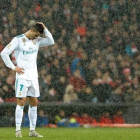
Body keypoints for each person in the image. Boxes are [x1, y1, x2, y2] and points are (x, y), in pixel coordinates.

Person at [1, 22, 54, 137]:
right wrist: (13, 67)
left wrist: (45, 28)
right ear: (31, 29)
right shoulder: (18, 40)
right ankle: (18, 130)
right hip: (22, 76)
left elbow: (51, 41)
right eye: (36, 35)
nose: (37, 37)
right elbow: (4, 53)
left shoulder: (37, 40)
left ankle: (32, 130)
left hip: (33, 76)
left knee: (34, 102)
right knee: (21, 101)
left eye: (38, 35)